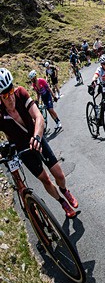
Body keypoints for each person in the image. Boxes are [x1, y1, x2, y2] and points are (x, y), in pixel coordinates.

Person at [0, 69, 79, 218]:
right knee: (45, 179)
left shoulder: (21, 93)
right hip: (22, 148)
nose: (10, 97)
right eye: (5, 95)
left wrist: (37, 136)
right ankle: (61, 202)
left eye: (10, 90)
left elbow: (39, 117)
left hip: (37, 137)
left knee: (59, 175)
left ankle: (64, 190)